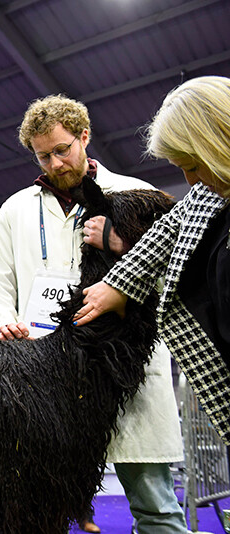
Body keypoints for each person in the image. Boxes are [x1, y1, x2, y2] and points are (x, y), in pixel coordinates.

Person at [0, 95, 186, 533]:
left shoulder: (136, 197)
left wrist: (123, 246)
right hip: (46, 378)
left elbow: (175, 280)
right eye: (43, 156)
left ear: (84, 137)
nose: (54, 163)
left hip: (123, 378)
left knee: (156, 507)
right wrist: (1, 322)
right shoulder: (15, 210)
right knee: (38, 508)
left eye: (62, 149)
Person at [74, 75, 230, 446]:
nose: (190, 180)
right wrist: (119, 284)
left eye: (193, 164)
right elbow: (172, 224)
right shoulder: (212, 193)